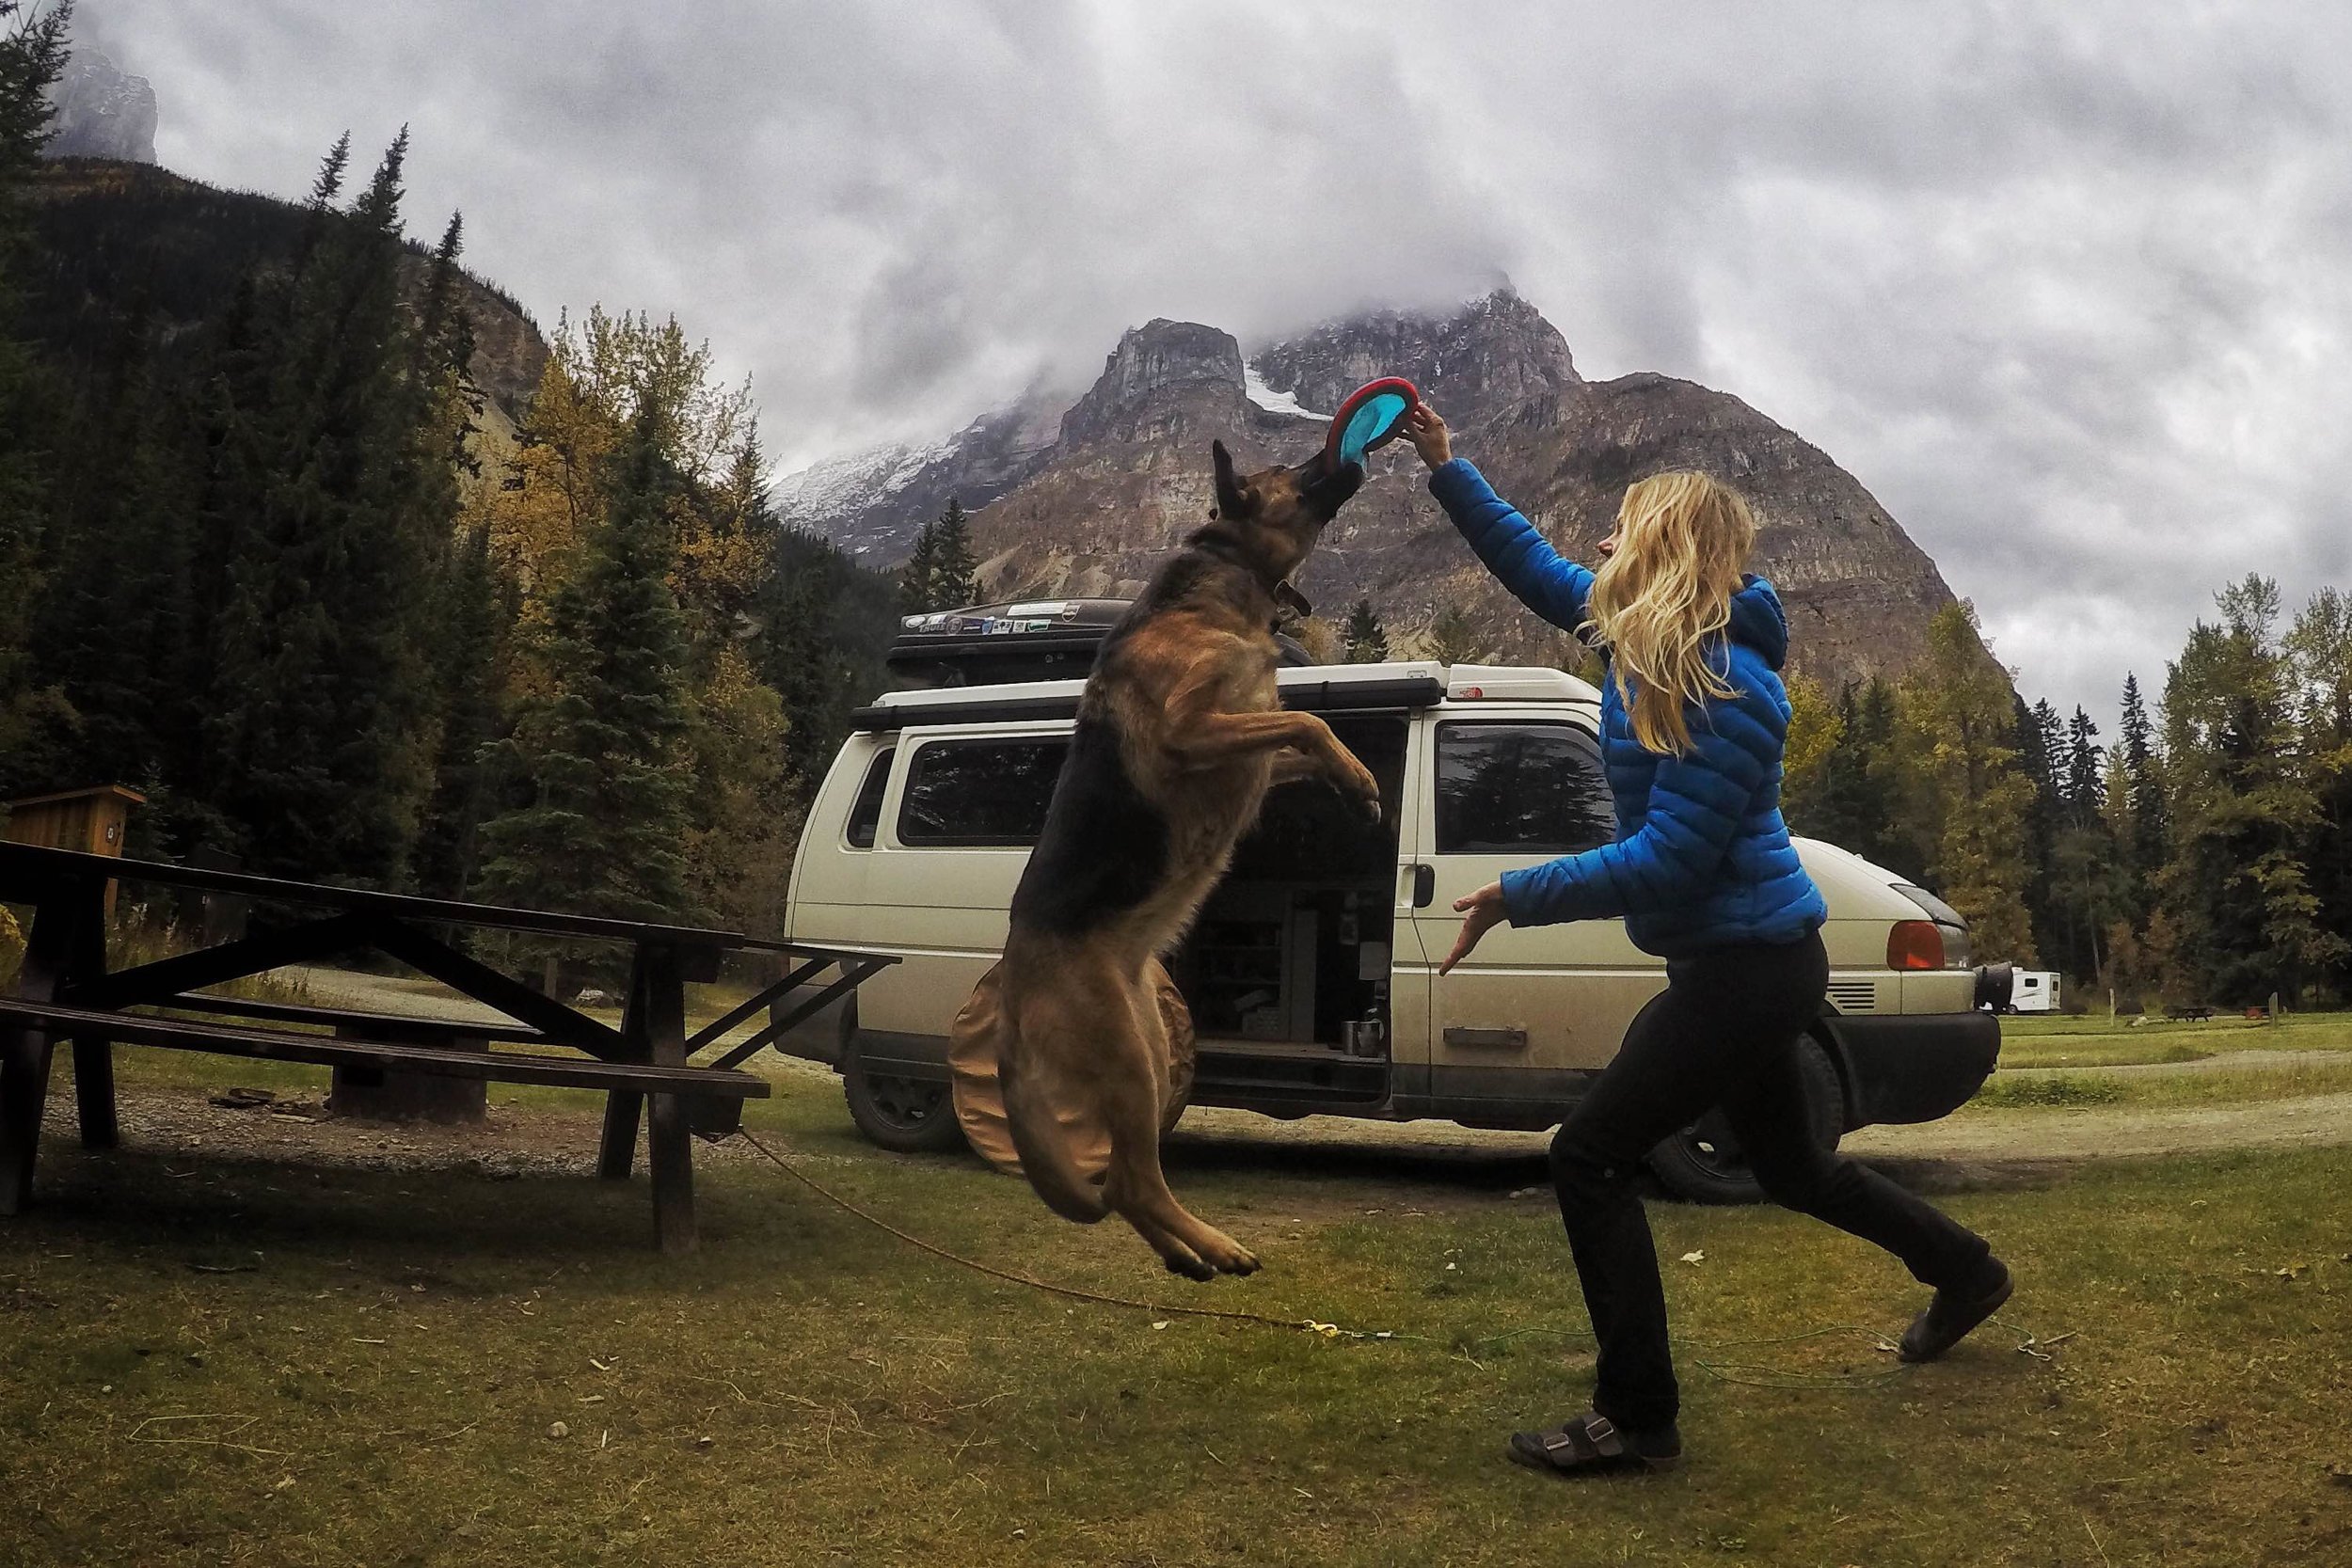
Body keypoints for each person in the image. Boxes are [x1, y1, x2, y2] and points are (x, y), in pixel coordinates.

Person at [1397, 403, 2012, 1478]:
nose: (1595, 545)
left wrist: (1518, 893)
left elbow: (1672, 859)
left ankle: (1636, 1413)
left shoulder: (1732, 686)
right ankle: (1965, 1270)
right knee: (1794, 1170)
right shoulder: (1641, 644)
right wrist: (1447, 469)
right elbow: (1533, 566)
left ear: (1660, 549)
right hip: (1731, 964)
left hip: (1754, 972)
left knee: (1587, 1153)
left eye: (1617, 529)